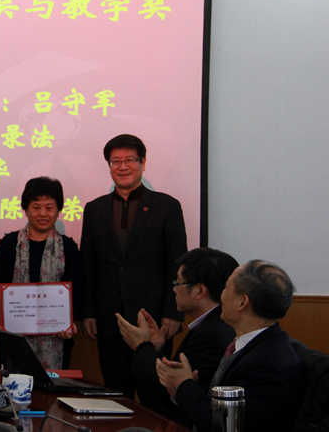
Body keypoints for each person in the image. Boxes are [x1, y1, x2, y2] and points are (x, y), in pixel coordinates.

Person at [81, 133, 187, 398]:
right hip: (110, 317)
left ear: (143, 163)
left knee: (156, 394)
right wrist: (88, 312)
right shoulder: (94, 209)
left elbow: (177, 263)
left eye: (130, 159)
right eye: (116, 161)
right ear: (109, 166)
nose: (123, 166)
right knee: (117, 393)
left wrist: (173, 312)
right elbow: (88, 265)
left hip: (154, 320)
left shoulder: (167, 206)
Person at [157, 260, 302, 431]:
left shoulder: (266, 364)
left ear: (242, 302)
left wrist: (184, 386)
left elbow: (225, 425)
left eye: (226, 288)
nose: (221, 296)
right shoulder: (257, 345)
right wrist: (188, 387)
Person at [115, 247, 237, 426]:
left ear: (200, 291)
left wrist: (142, 347)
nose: (174, 290)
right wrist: (153, 348)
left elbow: (169, 391)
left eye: (178, 283)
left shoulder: (210, 335)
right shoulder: (214, 324)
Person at [0, 177, 84, 370]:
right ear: (26, 209)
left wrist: (68, 321)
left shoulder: (68, 247)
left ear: (58, 211)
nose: (43, 214)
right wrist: (2, 318)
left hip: (56, 340)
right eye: (36, 207)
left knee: (51, 388)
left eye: (49, 208)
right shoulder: (9, 244)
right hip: (14, 338)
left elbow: (77, 289)